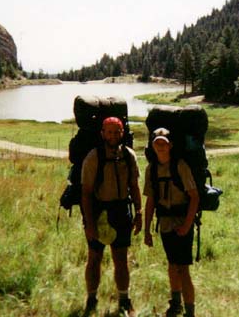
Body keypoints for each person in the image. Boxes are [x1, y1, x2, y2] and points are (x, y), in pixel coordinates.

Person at [81, 116, 142, 316]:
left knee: (121, 259)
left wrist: (139, 212)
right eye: (109, 132)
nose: (113, 136)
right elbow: (86, 193)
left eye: (116, 132)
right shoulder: (93, 157)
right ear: (102, 134)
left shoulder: (129, 155)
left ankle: (124, 300)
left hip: (121, 211)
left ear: (122, 133)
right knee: (94, 258)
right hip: (98, 211)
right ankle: (91, 300)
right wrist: (89, 223)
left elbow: (134, 186)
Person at [143, 128, 200, 317]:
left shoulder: (180, 166)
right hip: (165, 223)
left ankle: (189, 311)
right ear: (152, 146)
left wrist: (186, 225)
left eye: (164, 143)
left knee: (183, 268)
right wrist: (147, 230)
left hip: (182, 221)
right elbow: (151, 201)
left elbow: (194, 197)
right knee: (172, 264)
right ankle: (176, 304)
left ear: (171, 145)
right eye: (157, 143)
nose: (160, 146)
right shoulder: (151, 169)